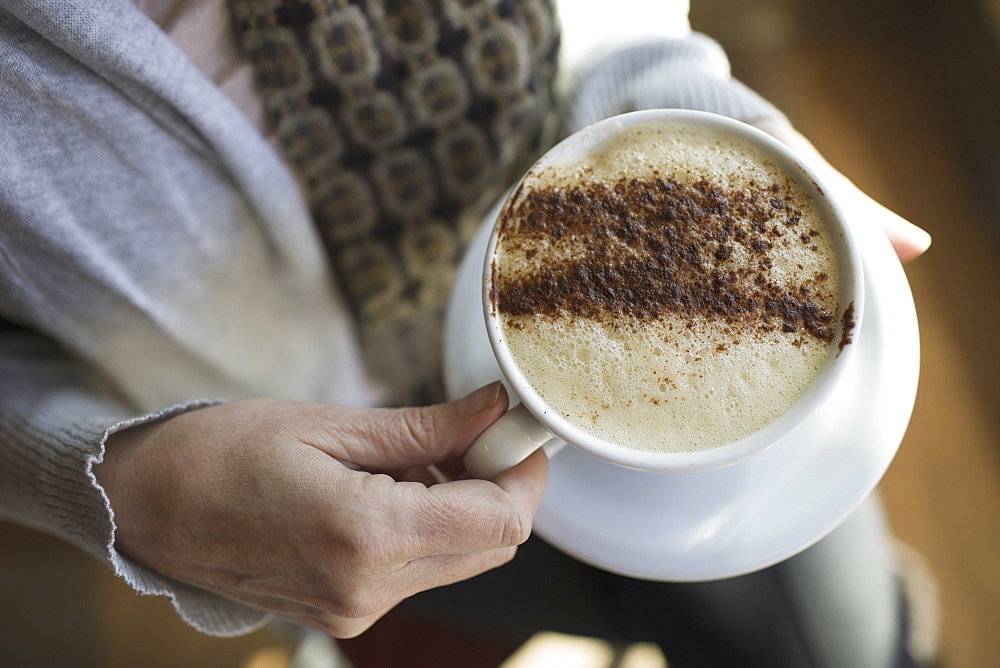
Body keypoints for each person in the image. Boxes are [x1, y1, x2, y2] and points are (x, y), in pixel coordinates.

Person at [0, 0, 931, 665]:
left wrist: (684, 107)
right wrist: (119, 482)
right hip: (282, 471)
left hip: (636, 258)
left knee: (833, 641)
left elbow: (614, 20)